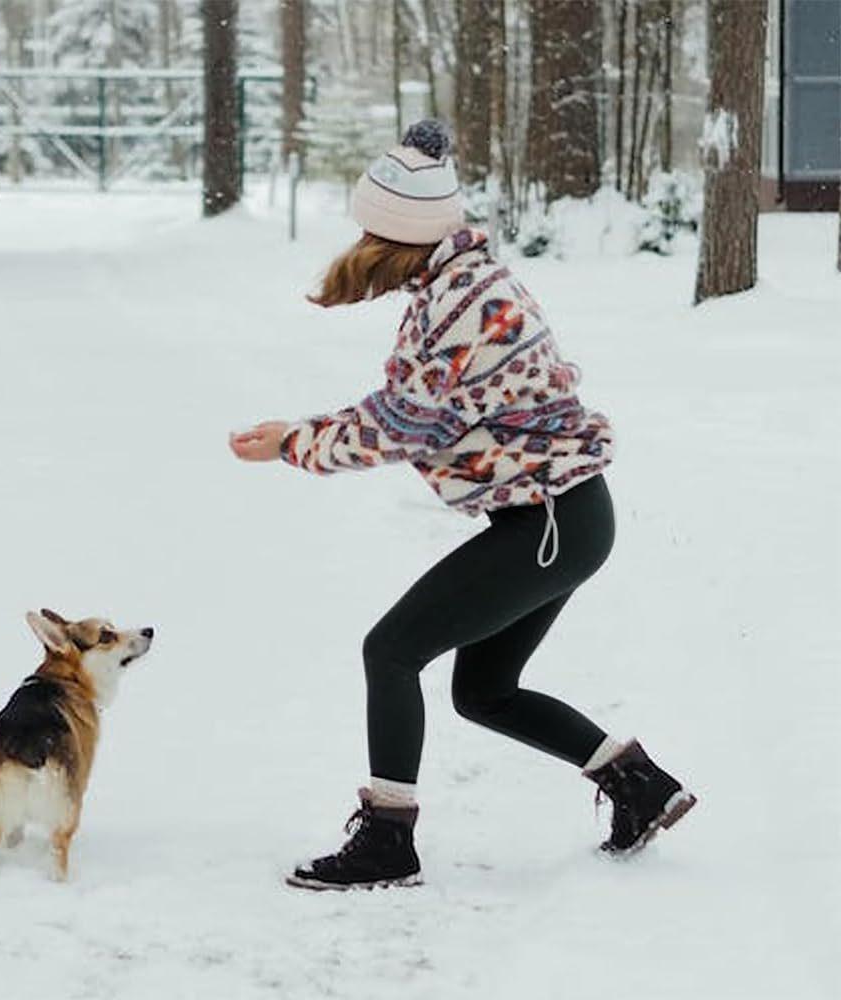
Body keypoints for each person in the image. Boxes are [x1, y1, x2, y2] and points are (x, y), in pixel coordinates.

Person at [229, 120, 696, 892]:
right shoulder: (460, 284)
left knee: (391, 651)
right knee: (484, 691)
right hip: (562, 518)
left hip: (550, 523)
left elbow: (399, 425)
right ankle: (638, 785)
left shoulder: (460, 307)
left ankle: (388, 840)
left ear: (398, 230)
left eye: (371, 225)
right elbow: (414, 410)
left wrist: (291, 443)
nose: (362, 238)